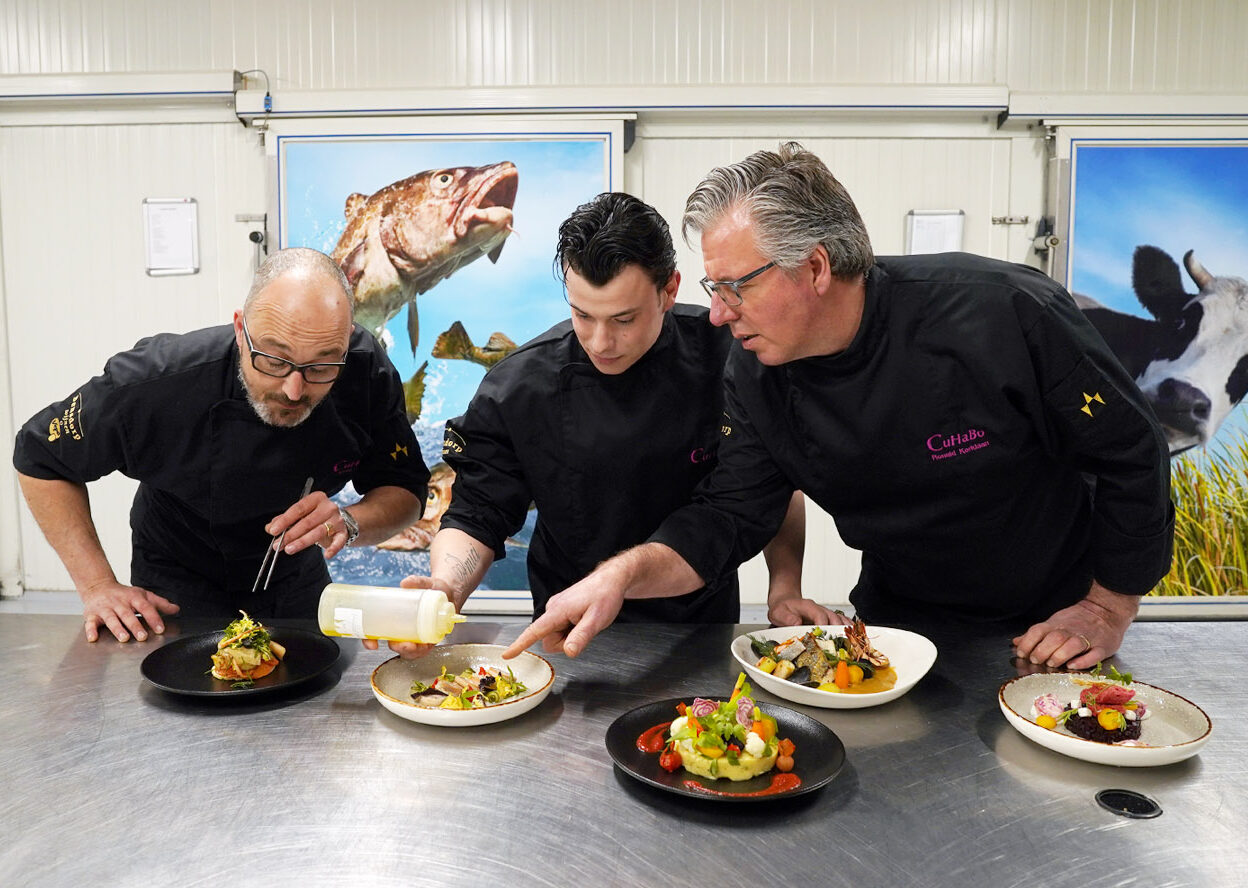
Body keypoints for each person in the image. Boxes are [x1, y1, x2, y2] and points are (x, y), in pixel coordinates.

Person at [504, 143, 1174, 666]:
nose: (715, 313)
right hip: (897, 624)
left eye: (735, 286)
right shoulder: (754, 370)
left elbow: (1130, 449)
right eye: (713, 286)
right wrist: (620, 576)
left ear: (816, 269)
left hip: (1054, 622)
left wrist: (1109, 607)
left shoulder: (1004, 313)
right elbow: (731, 514)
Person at [368, 192, 831, 658]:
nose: (601, 341)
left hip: (699, 625)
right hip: (565, 628)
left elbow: (772, 484)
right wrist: (446, 586)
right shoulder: (518, 387)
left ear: (669, 289)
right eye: (582, 315)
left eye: (623, 319)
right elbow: (477, 511)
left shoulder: (733, 359)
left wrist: (784, 587)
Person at [14, 247, 429, 643]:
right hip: (177, 579)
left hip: (293, 575)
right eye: (274, 360)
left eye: (321, 366)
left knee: (306, 699)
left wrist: (349, 521)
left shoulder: (364, 371)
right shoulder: (157, 380)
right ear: (239, 328)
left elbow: (405, 491)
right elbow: (40, 457)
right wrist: (96, 584)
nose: (294, 389)